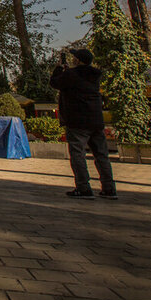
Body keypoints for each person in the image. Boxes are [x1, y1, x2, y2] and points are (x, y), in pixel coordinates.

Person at [50, 48, 117, 200]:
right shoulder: (94, 75)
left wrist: (59, 69)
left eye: (75, 57)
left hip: (77, 120)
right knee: (102, 155)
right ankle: (109, 188)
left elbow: (55, 83)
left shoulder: (71, 74)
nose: (73, 59)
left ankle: (83, 187)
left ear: (78, 60)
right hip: (96, 120)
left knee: (78, 154)